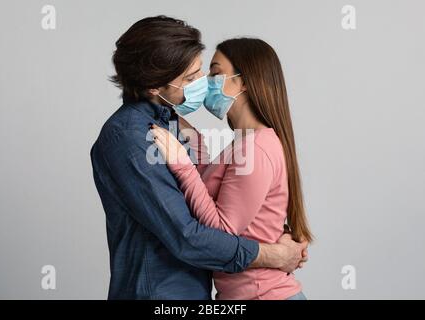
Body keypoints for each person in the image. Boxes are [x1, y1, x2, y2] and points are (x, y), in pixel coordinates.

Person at [90, 16, 308, 300]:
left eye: (203, 73)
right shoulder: (130, 139)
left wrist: (275, 230)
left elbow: (218, 200)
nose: (201, 85)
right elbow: (189, 237)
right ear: (155, 86)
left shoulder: (173, 125)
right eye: (191, 78)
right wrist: (273, 255)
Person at [151, 38, 313, 300]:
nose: (206, 82)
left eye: (215, 73)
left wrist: (182, 163)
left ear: (244, 81)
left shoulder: (255, 148)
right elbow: (213, 184)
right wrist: (177, 122)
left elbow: (222, 231)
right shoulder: (246, 142)